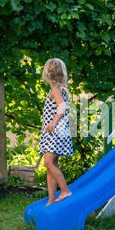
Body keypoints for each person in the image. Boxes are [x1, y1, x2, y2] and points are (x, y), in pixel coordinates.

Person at [38, 58, 73, 206]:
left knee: (48, 163)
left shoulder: (56, 90)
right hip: (55, 133)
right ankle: (51, 199)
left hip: (56, 132)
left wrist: (53, 122)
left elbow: (62, 106)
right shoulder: (55, 89)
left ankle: (65, 190)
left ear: (47, 74)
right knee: (51, 165)